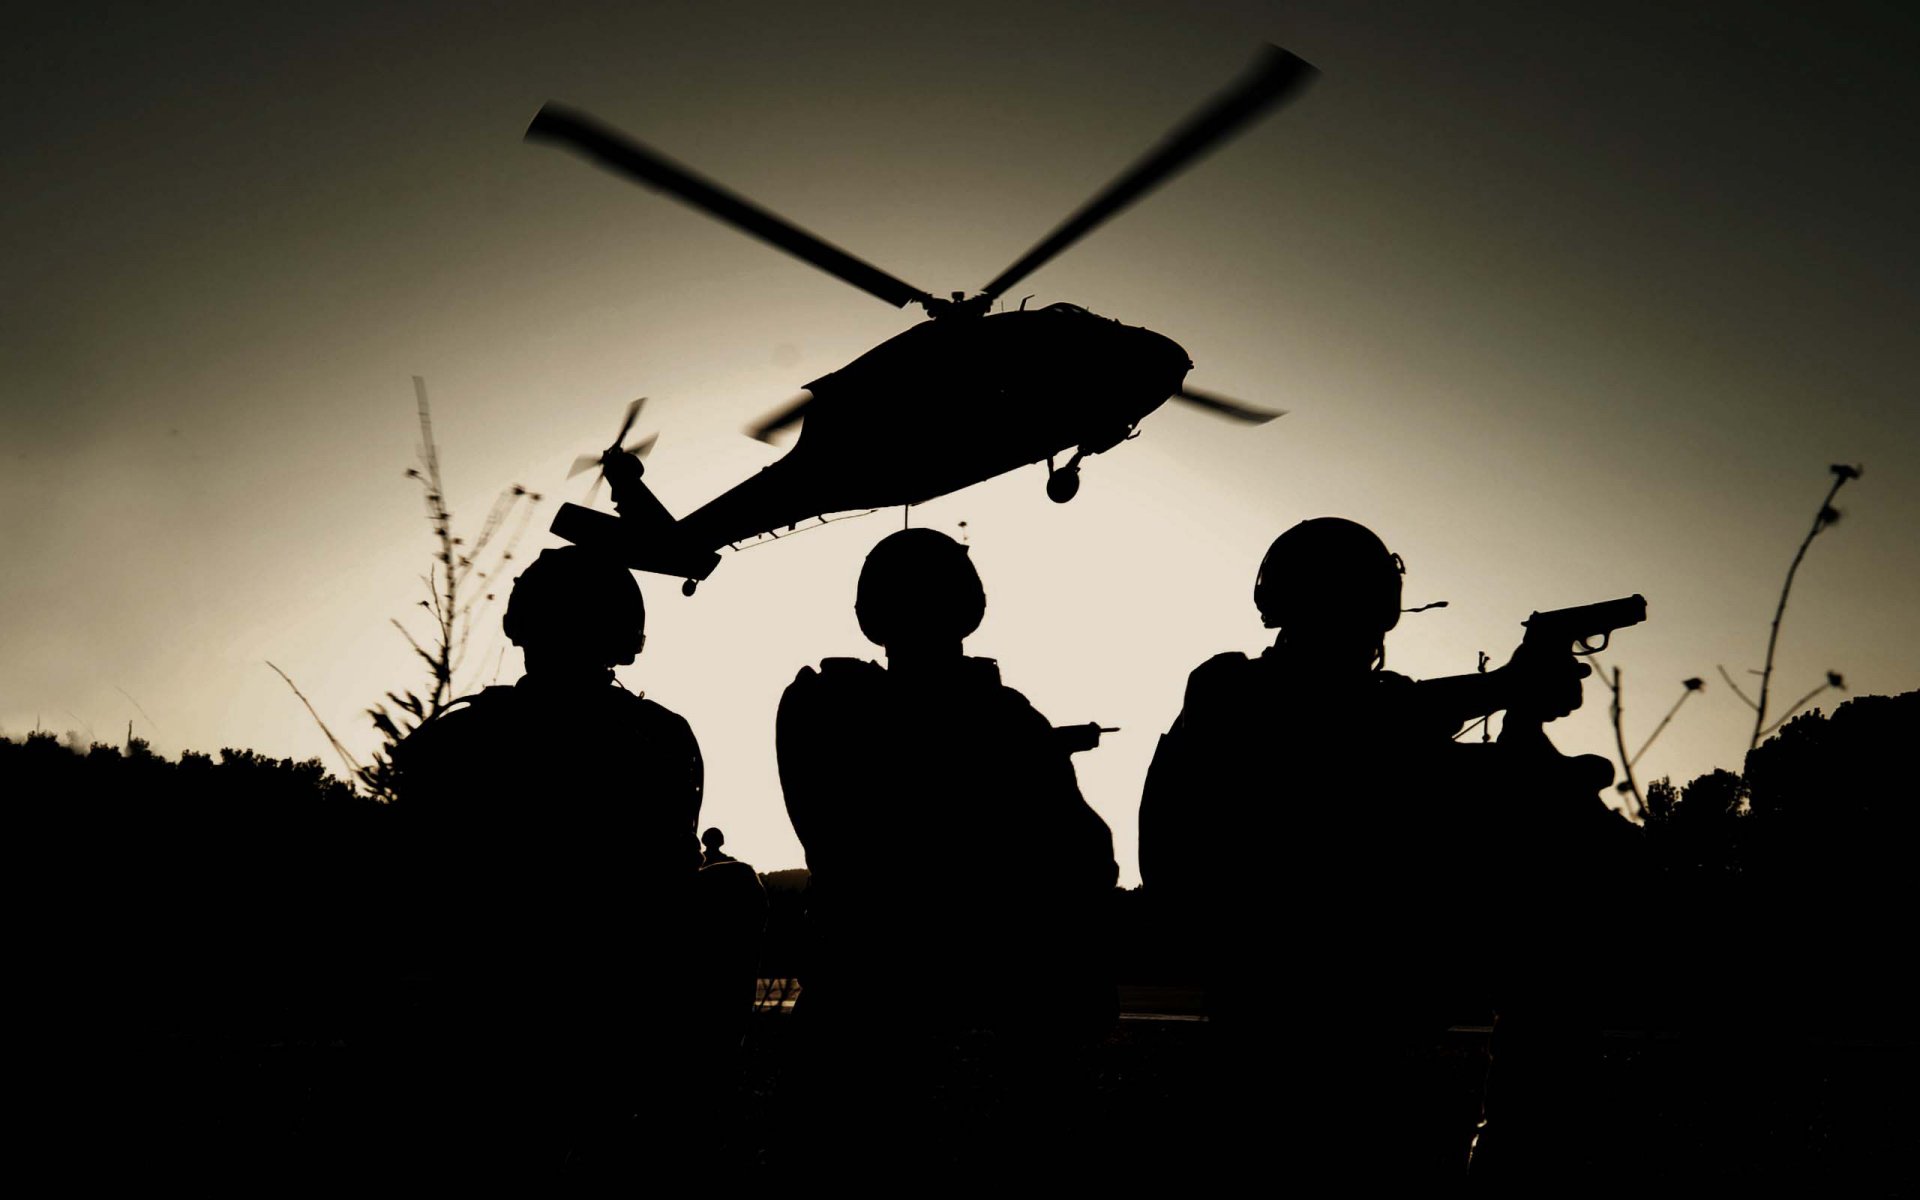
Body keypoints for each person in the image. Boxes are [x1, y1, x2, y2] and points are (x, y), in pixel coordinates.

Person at [1139, 517, 1620, 1188]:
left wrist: (1530, 743)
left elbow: (1412, 754)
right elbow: (1341, 730)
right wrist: (1506, 690)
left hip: (1365, 1022)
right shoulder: (1232, 691)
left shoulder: (1376, 712)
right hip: (1292, 1016)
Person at [775, 528, 1118, 1174]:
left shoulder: (824, 709)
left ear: (869, 615)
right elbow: (1084, 865)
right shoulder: (1010, 723)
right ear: (971, 606)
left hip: (860, 1011)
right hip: (982, 1012)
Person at [386, 545, 707, 1178]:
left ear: (519, 625)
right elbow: (670, 883)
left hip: (481, 1021)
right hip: (610, 1023)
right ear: (628, 637)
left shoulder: (456, 741)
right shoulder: (661, 739)